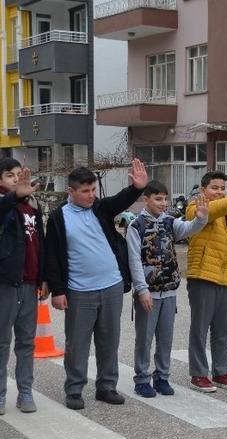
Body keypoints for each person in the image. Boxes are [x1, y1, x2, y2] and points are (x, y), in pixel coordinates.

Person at [45, 160, 148, 410]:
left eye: (93, 190)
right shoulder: (59, 217)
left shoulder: (99, 208)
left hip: (111, 286)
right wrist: (58, 291)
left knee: (109, 341)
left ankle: (106, 386)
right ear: (71, 191)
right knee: (77, 344)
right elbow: (53, 256)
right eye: (85, 191)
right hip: (80, 291)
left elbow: (119, 201)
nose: (91, 195)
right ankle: (74, 390)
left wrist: (136, 188)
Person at [126, 181, 208, 398]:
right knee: (144, 338)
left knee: (166, 338)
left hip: (169, 291)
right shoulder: (136, 226)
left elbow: (189, 229)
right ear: (146, 199)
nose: (163, 203)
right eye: (158, 199)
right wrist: (142, 289)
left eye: (165, 199)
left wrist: (200, 218)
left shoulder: (171, 222)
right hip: (148, 293)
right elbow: (134, 260)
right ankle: (142, 379)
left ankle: (162, 377)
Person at [0, 158, 48, 415]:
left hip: (30, 282)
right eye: (10, 175)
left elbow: (40, 242)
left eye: (19, 174)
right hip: (5, 282)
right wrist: (15, 196)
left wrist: (44, 277)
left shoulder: (33, 205)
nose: (16, 179)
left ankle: (25, 391)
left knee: (26, 342)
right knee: (1, 341)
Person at [184, 172, 227, 393]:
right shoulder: (195, 206)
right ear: (203, 190)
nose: (219, 191)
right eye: (214, 187)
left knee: (223, 330)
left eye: (223, 188)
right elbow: (208, 214)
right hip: (203, 275)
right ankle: (199, 374)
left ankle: (221, 371)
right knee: (200, 328)